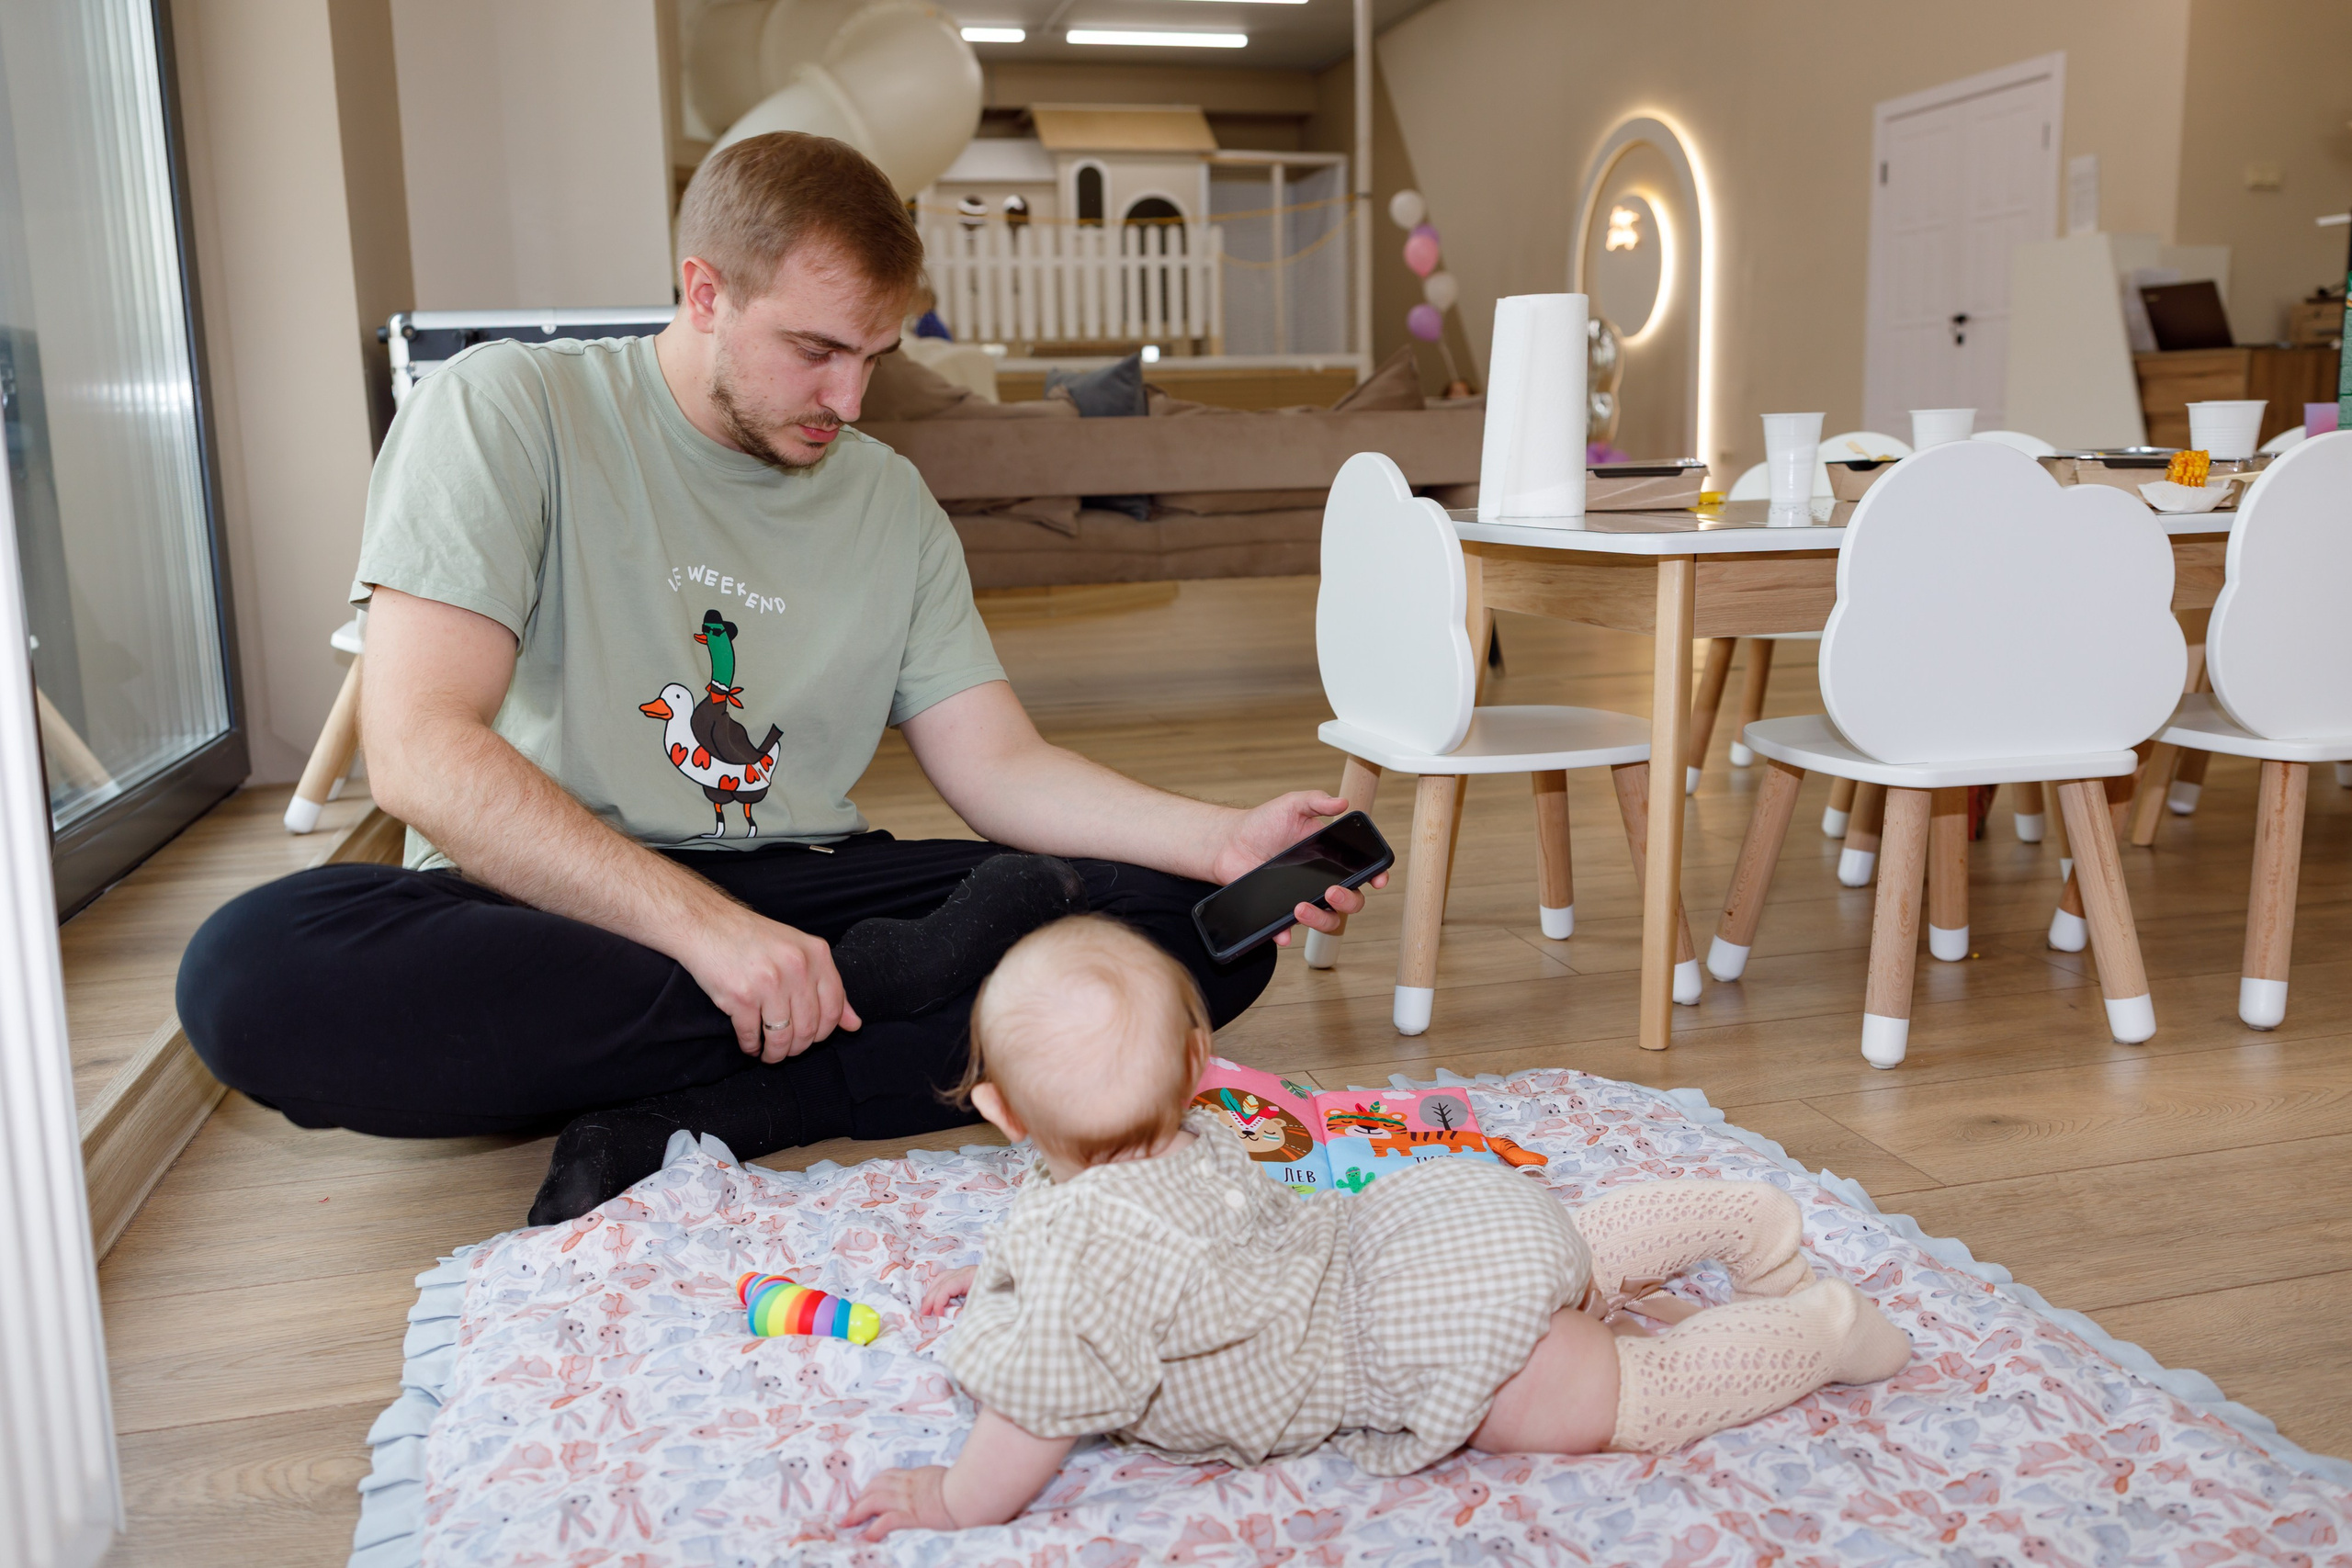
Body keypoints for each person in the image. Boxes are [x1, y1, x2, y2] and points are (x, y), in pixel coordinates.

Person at [175, 132, 1379, 1226]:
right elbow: (421, 748)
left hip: (807, 891)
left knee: (1201, 942)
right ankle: (843, 1014)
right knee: (247, 972)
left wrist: (1225, 842)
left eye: (875, 357)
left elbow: (999, 763)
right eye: (815, 351)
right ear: (705, 289)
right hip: (556, 908)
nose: (848, 403)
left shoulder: (890, 498)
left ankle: (725, 1106)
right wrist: (707, 936)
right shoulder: (504, 408)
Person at [842, 917, 1912, 1540]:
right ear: (1193, 1070)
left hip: (1425, 1349)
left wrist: (953, 1497)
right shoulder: (1194, 1136)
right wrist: (996, 1290)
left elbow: (1036, 1409)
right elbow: (1066, 1239)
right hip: (1423, 1230)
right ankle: (1745, 1222)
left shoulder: (1084, 1258)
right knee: (1572, 1254)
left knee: (1626, 1397)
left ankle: (1819, 1329)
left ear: (1004, 1117)